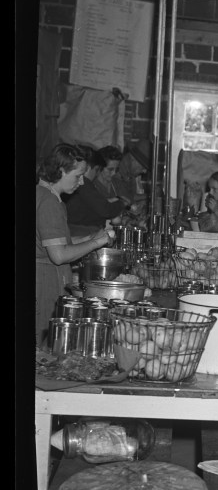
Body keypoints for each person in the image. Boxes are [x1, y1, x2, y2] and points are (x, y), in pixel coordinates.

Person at [36, 143, 112, 345]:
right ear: (61, 170)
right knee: (44, 348)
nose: (81, 182)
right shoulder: (49, 202)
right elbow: (59, 255)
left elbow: (56, 243)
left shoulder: (44, 194)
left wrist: (89, 238)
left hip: (44, 278)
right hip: (44, 284)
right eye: (78, 176)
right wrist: (96, 242)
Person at [64, 147, 131, 239]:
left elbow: (93, 205)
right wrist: (122, 203)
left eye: (116, 170)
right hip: (80, 234)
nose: (97, 174)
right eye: (97, 170)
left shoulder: (114, 183)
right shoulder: (84, 183)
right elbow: (106, 211)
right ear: (88, 168)